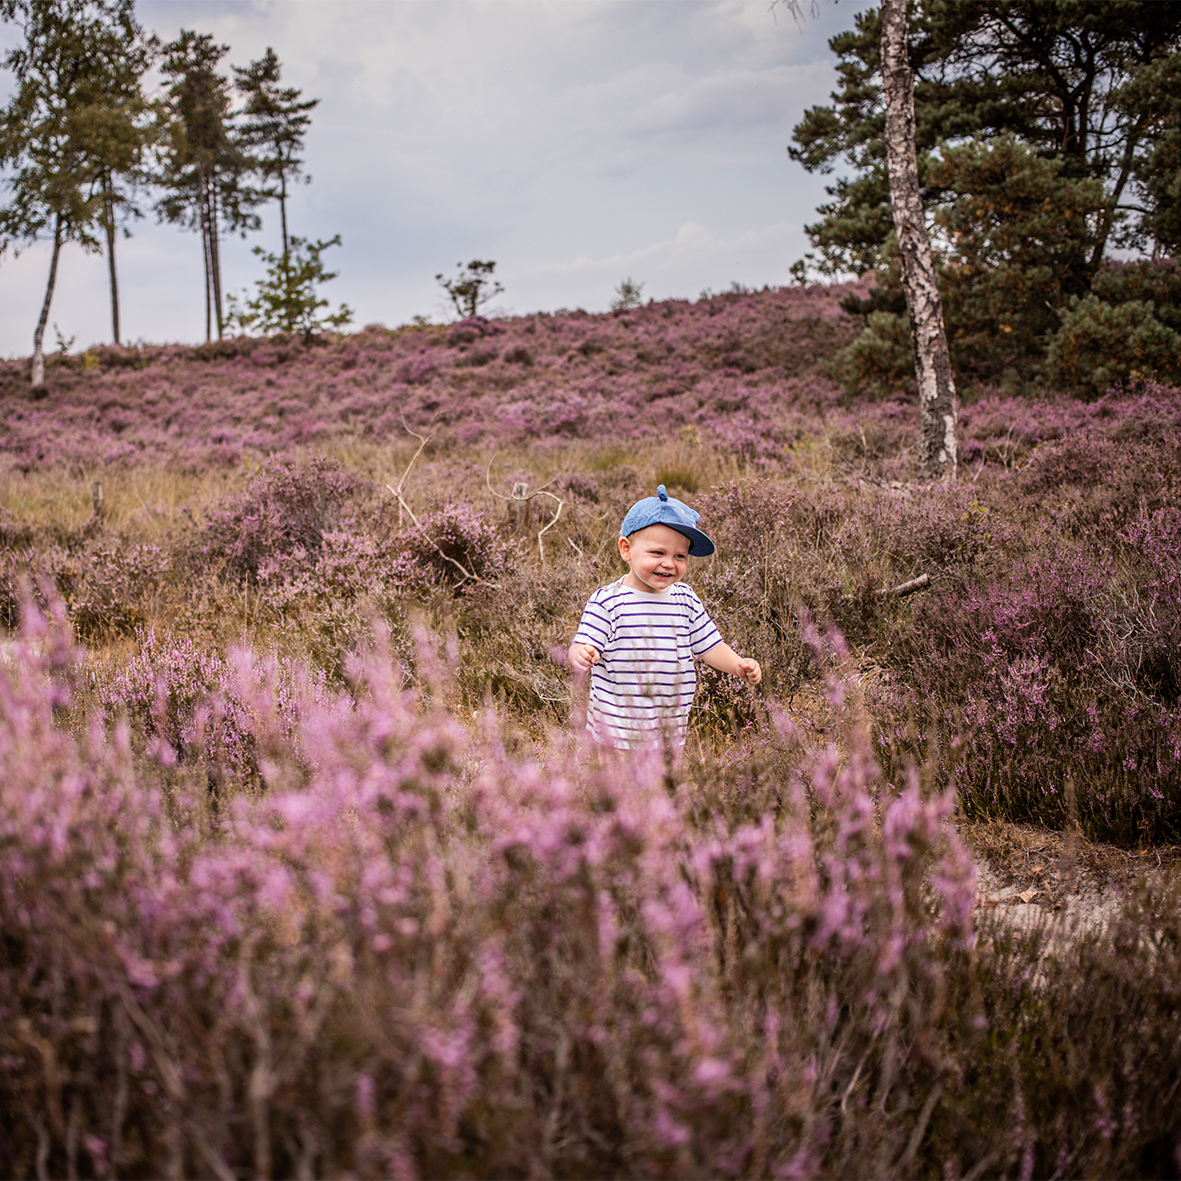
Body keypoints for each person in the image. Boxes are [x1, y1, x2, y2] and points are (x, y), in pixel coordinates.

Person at [568, 485, 762, 750]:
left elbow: (710, 645)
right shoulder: (608, 601)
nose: (669, 563)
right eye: (658, 553)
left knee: (662, 789)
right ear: (626, 549)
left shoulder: (685, 599)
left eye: (679, 556)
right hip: (617, 733)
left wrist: (737, 665)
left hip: (669, 733)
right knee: (622, 790)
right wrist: (581, 653)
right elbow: (583, 644)